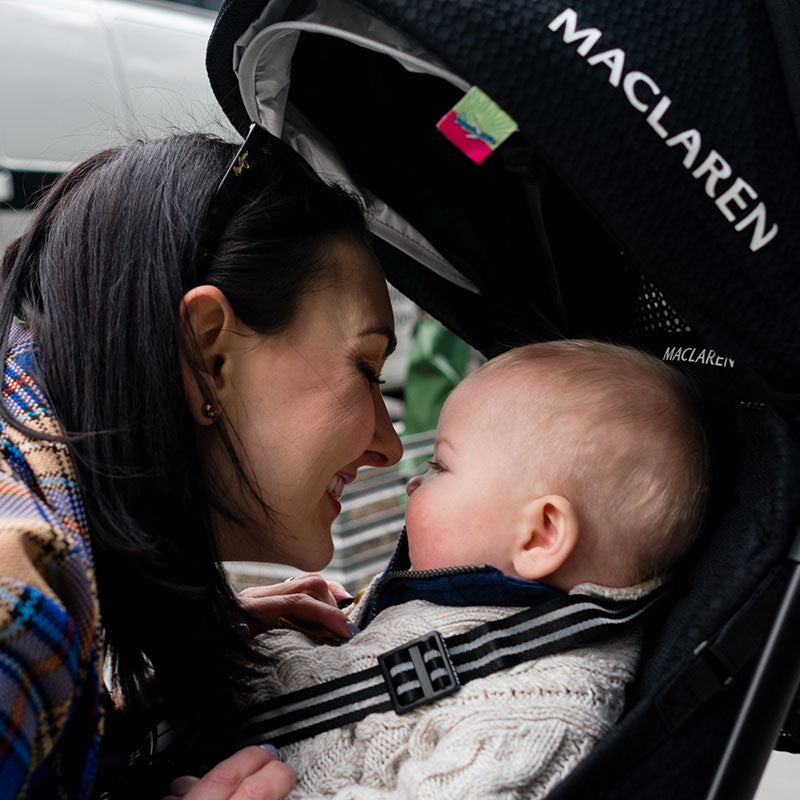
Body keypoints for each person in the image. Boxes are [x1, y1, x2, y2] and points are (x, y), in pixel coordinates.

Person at [0, 129, 403, 799]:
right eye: (366, 367)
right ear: (208, 353)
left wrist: (130, 707)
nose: (390, 446)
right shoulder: (20, 595)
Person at [241, 339, 710, 800]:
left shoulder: (535, 713)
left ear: (539, 536)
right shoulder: (471, 605)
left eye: (440, 466)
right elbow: (339, 679)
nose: (413, 482)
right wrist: (247, 639)